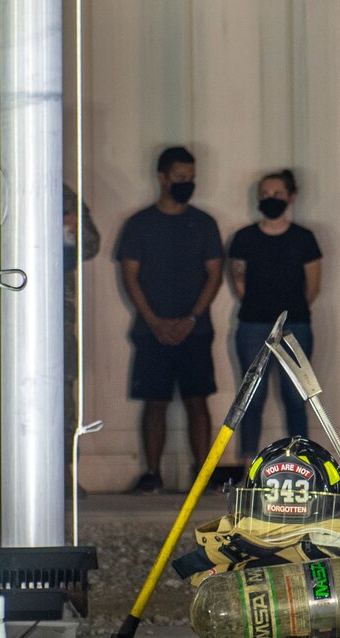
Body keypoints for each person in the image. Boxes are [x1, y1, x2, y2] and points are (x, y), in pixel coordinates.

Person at [116, 146, 223, 493]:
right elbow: (130, 276)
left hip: (196, 330)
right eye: (180, 178)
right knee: (155, 402)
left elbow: (215, 275)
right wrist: (153, 320)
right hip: (151, 331)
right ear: (162, 177)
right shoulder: (140, 224)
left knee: (197, 400)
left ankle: (203, 475)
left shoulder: (204, 223)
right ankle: (152, 473)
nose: (186, 184)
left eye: (191, 178)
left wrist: (192, 318)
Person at [228, 170, 322, 465]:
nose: (271, 199)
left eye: (278, 194)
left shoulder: (304, 238)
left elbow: (313, 286)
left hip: (295, 327)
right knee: (251, 400)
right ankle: (248, 466)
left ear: (291, 197)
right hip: (253, 325)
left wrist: (286, 314)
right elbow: (239, 282)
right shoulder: (244, 237)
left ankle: (303, 463)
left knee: (296, 398)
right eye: (266, 194)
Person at [63, 184, 100, 491]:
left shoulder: (61, 194)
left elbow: (90, 245)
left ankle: (61, 471)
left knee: (61, 392)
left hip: (55, 312)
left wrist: (69, 228)